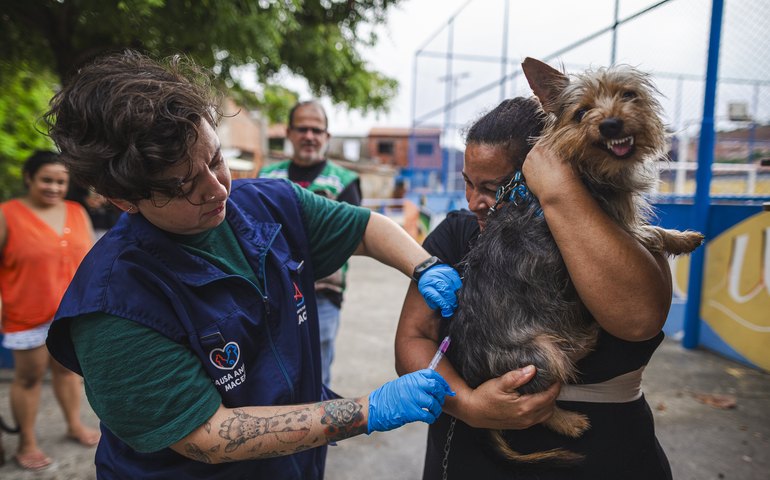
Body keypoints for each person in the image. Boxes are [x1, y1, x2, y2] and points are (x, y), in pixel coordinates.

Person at [43, 50, 462, 480]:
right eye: (183, 186)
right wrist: (368, 410)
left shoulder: (269, 204)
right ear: (123, 200)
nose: (217, 189)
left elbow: (365, 227)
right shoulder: (114, 307)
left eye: (216, 159)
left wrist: (424, 264)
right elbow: (208, 435)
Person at [395, 97, 674, 479]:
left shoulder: (624, 236)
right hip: (473, 456)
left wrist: (560, 194)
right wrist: (468, 404)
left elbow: (639, 320)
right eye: (468, 183)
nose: (475, 202)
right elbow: (413, 338)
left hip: (604, 457)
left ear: (545, 170)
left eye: (493, 188)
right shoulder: (457, 235)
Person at [0, 151, 100, 471]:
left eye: (61, 181)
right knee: (28, 378)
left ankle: (74, 424)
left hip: (69, 313)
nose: (54, 187)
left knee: (68, 372)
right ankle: (26, 441)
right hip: (25, 311)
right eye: (47, 180)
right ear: (29, 178)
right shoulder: (7, 214)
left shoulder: (76, 211)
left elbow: (90, 261)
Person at [260, 100, 361, 386]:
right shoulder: (267, 177)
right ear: (289, 133)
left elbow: (352, 237)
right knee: (274, 372)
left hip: (322, 297)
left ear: (327, 137)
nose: (309, 136)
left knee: (315, 376)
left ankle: (316, 431)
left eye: (317, 130)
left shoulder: (343, 182)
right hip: (272, 295)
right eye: (302, 129)